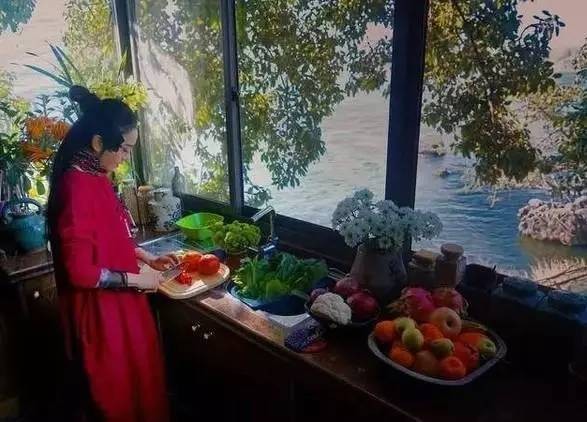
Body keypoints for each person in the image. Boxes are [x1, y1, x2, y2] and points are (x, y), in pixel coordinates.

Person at [47, 85, 175, 422]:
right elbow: (81, 272)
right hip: (102, 316)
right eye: (124, 149)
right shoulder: (76, 187)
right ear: (98, 143)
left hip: (121, 306)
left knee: (142, 386)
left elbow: (109, 236)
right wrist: (136, 279)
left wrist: (144, 257)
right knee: (119, 396)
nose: (126, 158)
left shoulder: (97, 175)